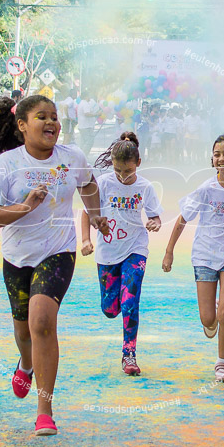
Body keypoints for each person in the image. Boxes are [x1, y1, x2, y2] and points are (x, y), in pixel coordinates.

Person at [0, 94, 109, 436]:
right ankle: (25, 362)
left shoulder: (72, 157)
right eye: (42, 117)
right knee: (24, 332)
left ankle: (44, 409)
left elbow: (89, 185)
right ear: (22, 125)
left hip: (58, 251)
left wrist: (96, 216)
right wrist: (22, 208)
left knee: (42, 323)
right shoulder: (7, 164)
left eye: (55, 117)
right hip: (17, 256)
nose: (51, 123)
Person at [162, 134, 224, 383]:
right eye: (217, 154)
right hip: (205, 255)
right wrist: (169, 251)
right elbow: (182, 218)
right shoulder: (206, 189)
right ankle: (213, 319)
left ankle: (221, 363)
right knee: (208, 318)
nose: (222, 158)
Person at [80, 132, 162, 376]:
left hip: (135, 250)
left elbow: (155, 215)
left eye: (127, 171)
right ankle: (113, 311)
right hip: (107, 251)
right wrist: (85, 239)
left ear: (138, 163)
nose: (123, 176)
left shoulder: (145, 187)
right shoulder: (103, 183)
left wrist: (155, 222)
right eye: (118, 170)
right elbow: (86, 212)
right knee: (110, 309)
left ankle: (129, 353)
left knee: (130, 302)